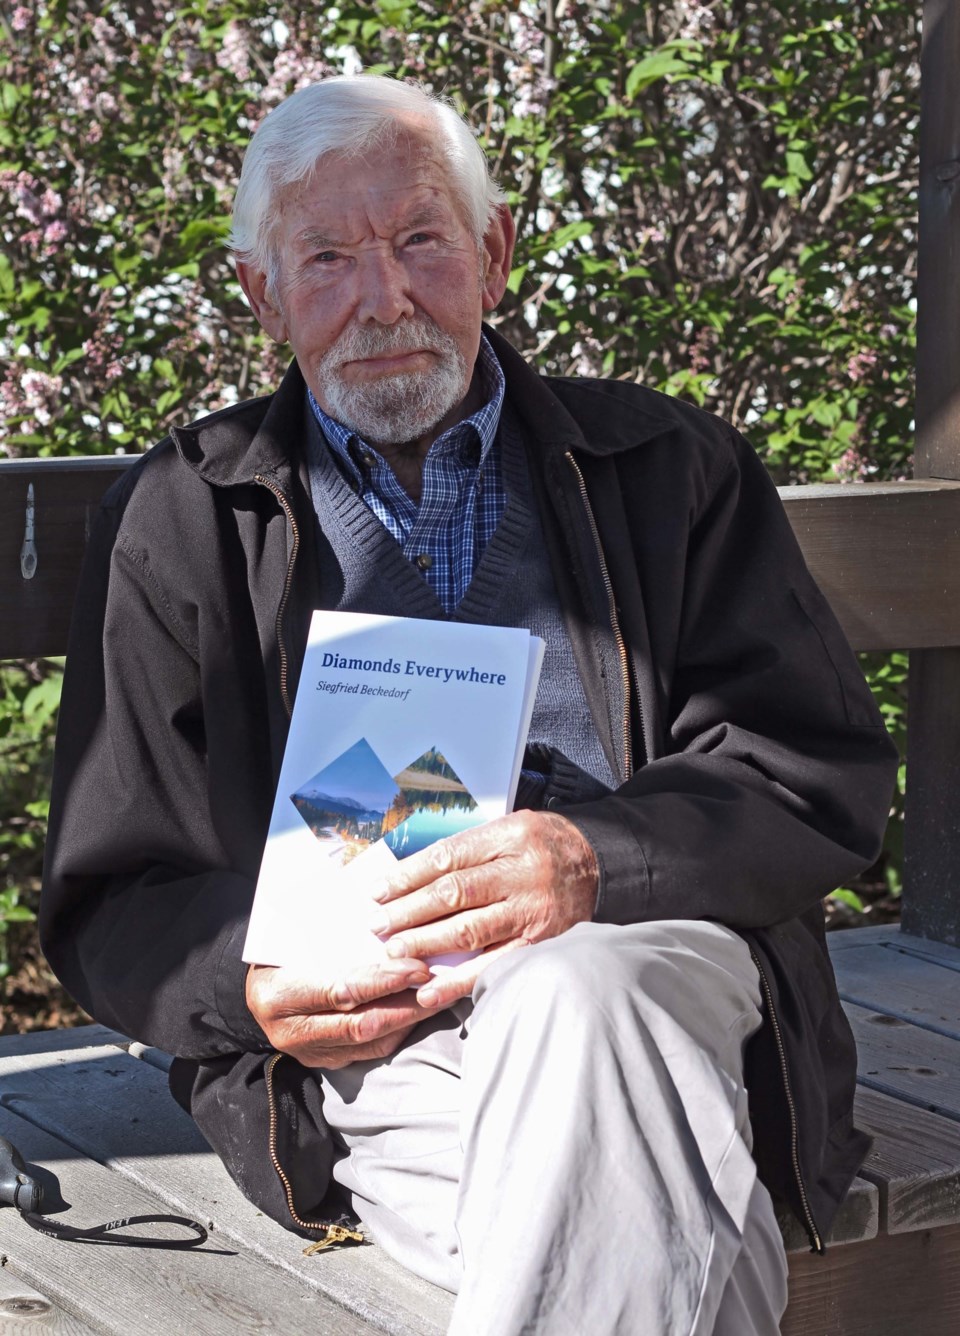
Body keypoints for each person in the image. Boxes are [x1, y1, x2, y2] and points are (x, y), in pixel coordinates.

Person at [41, 75, 897, 1334]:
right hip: (389, 1052)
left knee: (577, 994)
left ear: (493, 254)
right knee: (650, 1191)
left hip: (655, 969)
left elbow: (814, 775)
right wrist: (256, 982)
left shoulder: (669, 470)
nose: (382, 297)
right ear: (262, 296)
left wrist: (594, 861)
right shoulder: (185, 516)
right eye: (327, 257)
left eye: (421, 240)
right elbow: (116, 889)